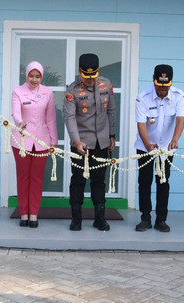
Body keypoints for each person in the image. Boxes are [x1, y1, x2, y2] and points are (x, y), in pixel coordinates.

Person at [64, 53, 116, 231]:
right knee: (78, 180)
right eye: (86, 76)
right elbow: (70, 118)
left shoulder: (106, 85)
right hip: (81, 143)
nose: (90, 80)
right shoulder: (72, 91)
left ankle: (100, 218)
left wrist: (112, 135)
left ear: (98, 72)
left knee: (99, 180)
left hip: (101, 142)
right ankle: (76, 218)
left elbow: (111, 111)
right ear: (80, 72)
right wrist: (76, 141)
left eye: (93, 76)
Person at [134, 64, 184, 233]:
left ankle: (161, 219)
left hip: (166, 148)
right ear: (153, 80)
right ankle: (145, 218)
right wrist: (148, 145)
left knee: (163, 182)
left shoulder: (178, 96)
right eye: (159, 86)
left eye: (166, 86)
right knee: (144, 182)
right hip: (145, 146)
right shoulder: (143, 97)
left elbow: (180, 120)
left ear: (171, 82)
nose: (162, 90)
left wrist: (175, 140)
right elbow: (141, 124)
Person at [11, 61, 58, 228]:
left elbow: (50, 118)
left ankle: (34, 215)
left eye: (38, 76)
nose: (34, 79)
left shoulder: (48, 92)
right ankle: (23, 213)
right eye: (31, 76)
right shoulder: (17, 91)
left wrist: (53, 140)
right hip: (21, 140)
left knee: (37, 178)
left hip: (41, 141)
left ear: (41, 77)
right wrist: (20, 122)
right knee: (23, 177)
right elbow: (15, 112)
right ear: (27, 75)